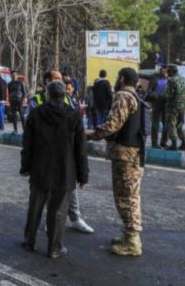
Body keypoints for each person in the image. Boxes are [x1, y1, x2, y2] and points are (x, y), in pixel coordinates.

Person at [21, 81, 88, 259]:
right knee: (58, 211)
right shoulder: (74, 116)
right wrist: (83, 175)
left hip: (39, 169)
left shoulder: (35, 114)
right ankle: (54, 247)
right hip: (65, 172)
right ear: (65, 96)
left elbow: (27, 144)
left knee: (35, 207)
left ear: (48, 95)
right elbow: (80, 149)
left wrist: (25, 167)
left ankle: (29, 241)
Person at [87, 67, 145, 256]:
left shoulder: (123, 96)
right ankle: (130, 236)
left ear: (121, 79)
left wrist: (90, 135)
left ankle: (132, 242)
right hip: (134, 154)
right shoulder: (136, 97)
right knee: (130, 196)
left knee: (125, 198)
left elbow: (112, 125)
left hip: (125, 155)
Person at [162, 64, 185, 150]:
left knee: (171, 125)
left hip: (172, 106)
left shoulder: (171, 80)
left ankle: (174, 145)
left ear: (171, 71)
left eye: (168, 71)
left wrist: (161, 96)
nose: (167, 73)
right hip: (182, 107)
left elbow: (169, 94)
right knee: (179, 125)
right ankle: (184, 143)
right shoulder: (183, 79)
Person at [146, 67, 169, 148]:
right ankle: (154, 142)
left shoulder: (170, 79)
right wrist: (154, 95)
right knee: (155, 123)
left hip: (166, 104)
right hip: (156, 103)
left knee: (166, 124)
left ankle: (164, 141)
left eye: (167, 70)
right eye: (164, 69)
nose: (165, 71)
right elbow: (149, 91)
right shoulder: (154, 78)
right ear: (161, 70)